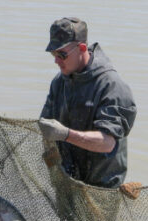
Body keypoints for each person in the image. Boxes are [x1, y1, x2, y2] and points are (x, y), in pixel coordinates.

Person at [37, 17, 137, 188]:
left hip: (101, 188)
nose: (56, 61)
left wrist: (66, 134)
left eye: (62, 54)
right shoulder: (59, 82)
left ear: (82, 48)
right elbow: (46, 125)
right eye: (53, 54)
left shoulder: (111, 85)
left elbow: (107, 143)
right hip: (68, 180)